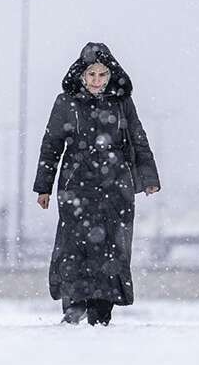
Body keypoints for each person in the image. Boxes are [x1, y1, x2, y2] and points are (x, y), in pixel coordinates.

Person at [34, 42, 160, 325]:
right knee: (74, 246)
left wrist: (148, 178)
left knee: (112, 249)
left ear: (110, 75)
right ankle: (74, 307)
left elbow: (138, 139)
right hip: (75, 184)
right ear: (81, 74)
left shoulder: (121, 103)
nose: (96, 81)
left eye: (102, 75)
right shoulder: (66, 103)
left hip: (116, 186)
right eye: (91, 75)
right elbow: (51, 145)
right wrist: (43, 186)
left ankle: (102, 311)